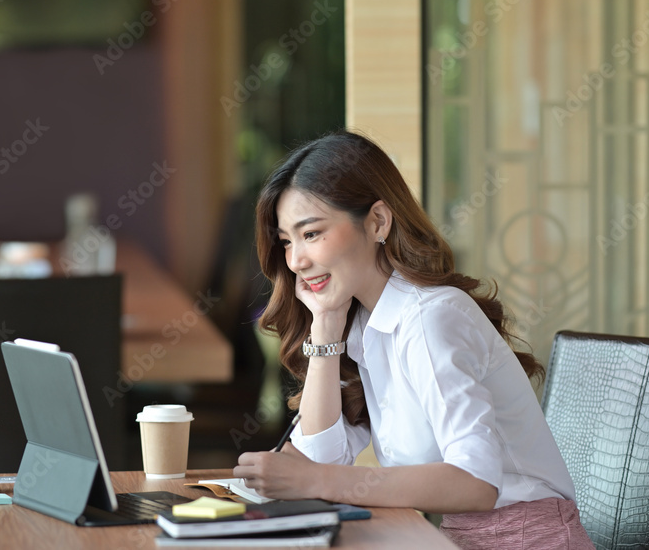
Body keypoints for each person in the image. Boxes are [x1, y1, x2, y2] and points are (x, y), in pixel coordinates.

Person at [232, 130, 594, 549]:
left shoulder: (430, 317)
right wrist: (326, 326)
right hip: (452, 537)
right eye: (287, 242)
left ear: (378, 222)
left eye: (311, 233)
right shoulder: (363, 324)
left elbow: (477, 483)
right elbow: (320, 461)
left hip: (529, 539)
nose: (296, 260)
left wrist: (317, 478)